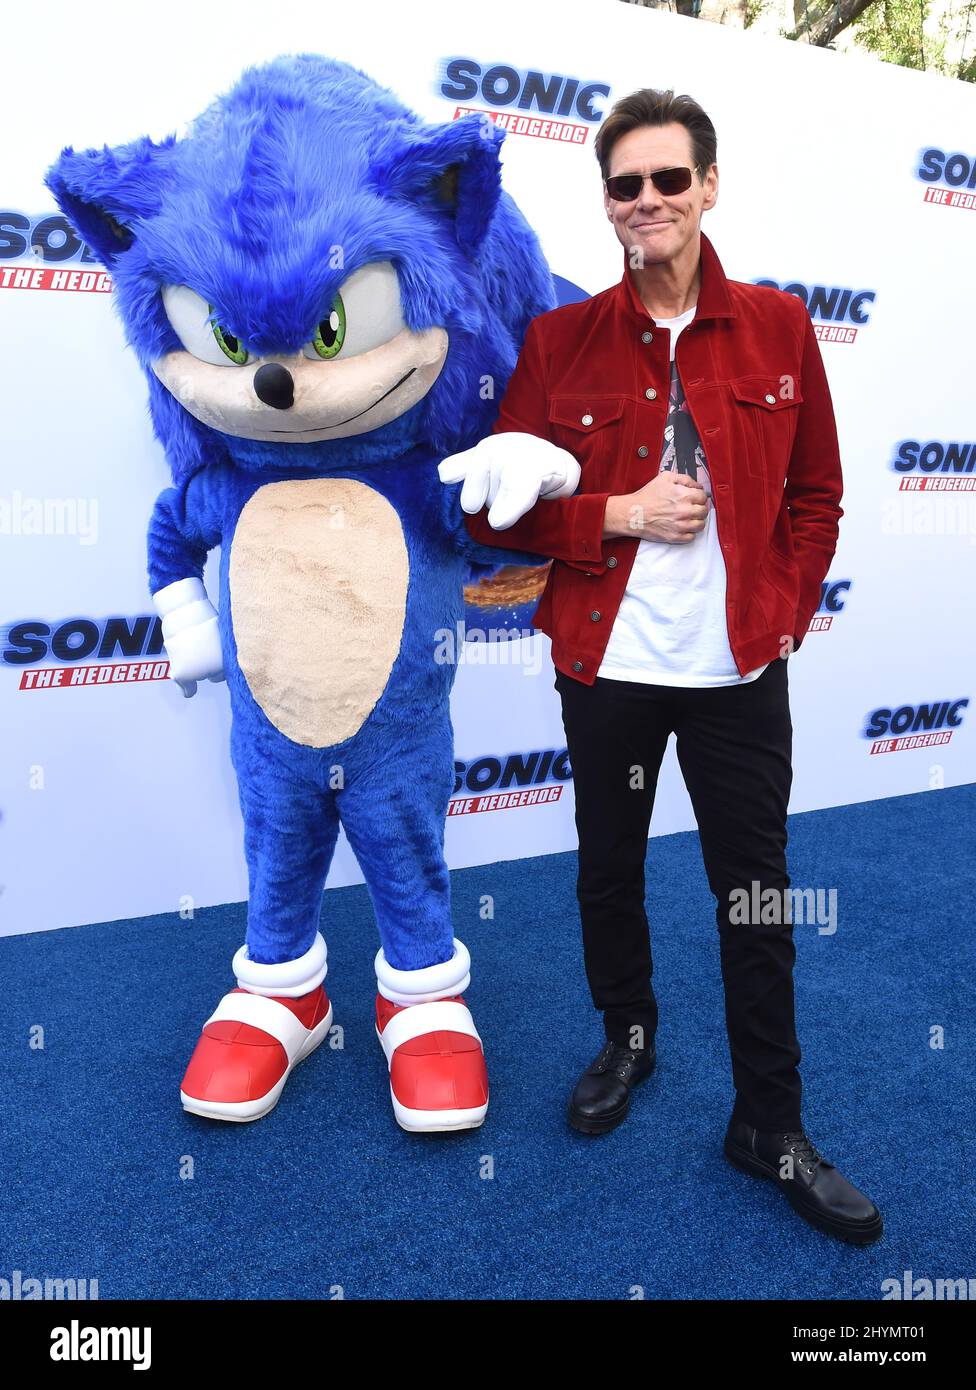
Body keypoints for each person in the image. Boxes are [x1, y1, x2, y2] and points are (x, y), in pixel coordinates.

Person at [439, 88, 882, 1244]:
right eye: (625, 185)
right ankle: (627, 1038)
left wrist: (783, 607)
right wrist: (618, 512)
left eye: (667, 180)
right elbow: (504, 517)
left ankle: (768, 1124)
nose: (647, 202)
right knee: (609, 871)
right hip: (609, 664)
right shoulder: (561, 342)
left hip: (736, 669)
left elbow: (819, 494)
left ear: (708, 187)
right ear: (607, 205)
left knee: (757, 893)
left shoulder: (782, 328)